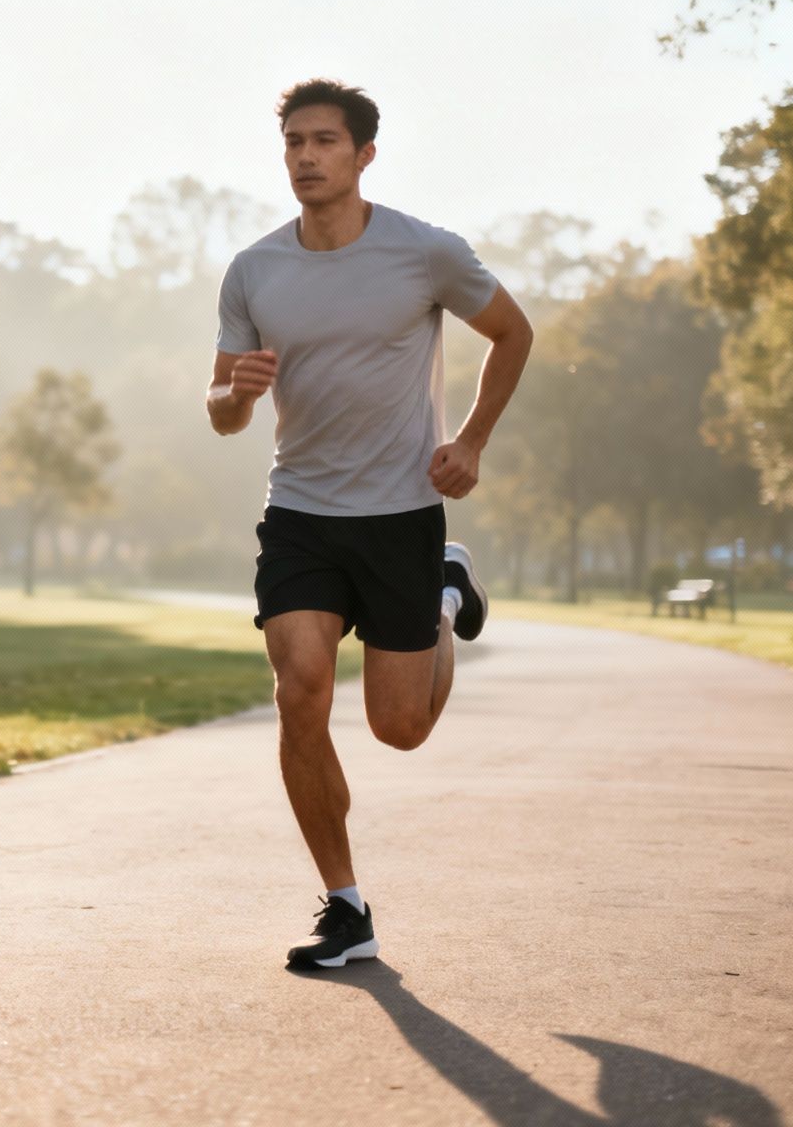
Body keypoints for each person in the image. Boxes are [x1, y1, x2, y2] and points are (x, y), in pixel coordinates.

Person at [207, 78, 532, 969]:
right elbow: (221, 410)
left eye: (324, 142)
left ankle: (441, 588)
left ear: (363, 155)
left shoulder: (424, 254)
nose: (306, 158)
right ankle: (346, 908)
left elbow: (514, 333)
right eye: (294, 143)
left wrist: (471, 439)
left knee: (400, 727)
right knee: (300, 690)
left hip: (401, 517)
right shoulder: (256, 269)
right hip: (301, 513)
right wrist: (232, 396)